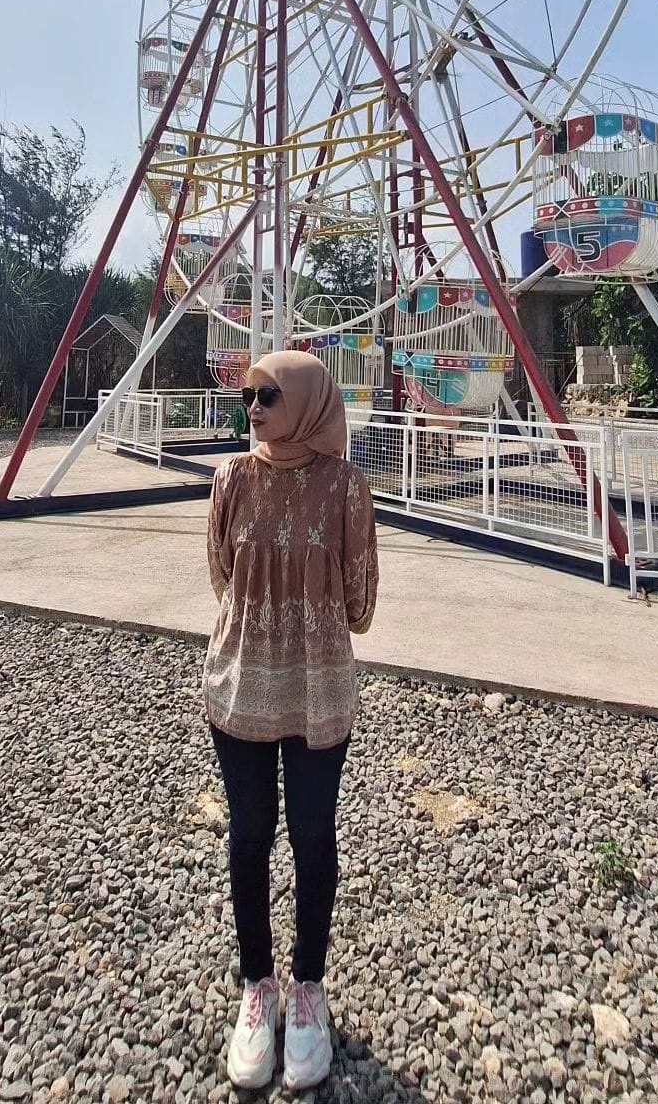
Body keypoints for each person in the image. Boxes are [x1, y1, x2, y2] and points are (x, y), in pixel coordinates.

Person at [202, 350, 379, 1093]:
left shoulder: (346, 487)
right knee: (248, 837)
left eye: (269, 394)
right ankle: (258, 986)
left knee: (311, 838)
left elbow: (362, 604)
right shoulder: (230, 480)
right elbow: (220, 574)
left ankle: (308, 986)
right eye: (250, 395)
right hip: (241, 688)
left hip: (318, 693)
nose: (254, 406)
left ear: (307, 401)